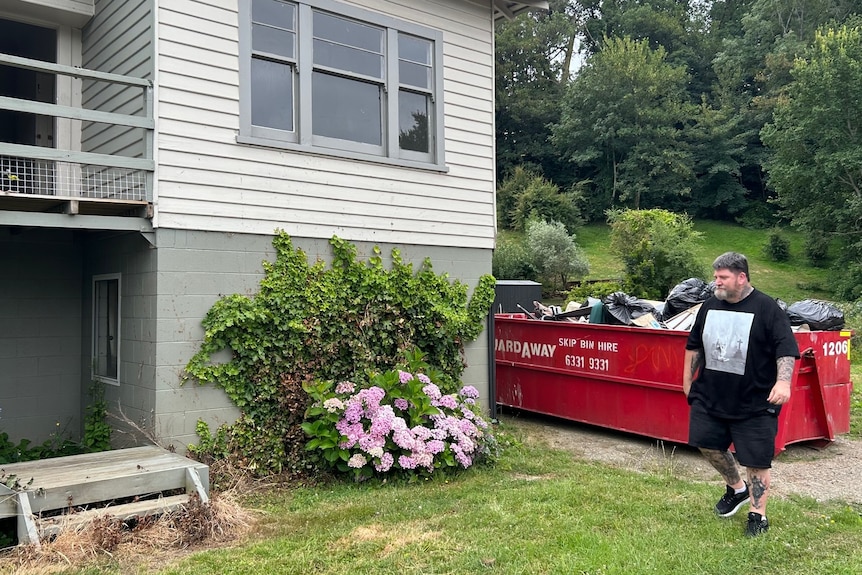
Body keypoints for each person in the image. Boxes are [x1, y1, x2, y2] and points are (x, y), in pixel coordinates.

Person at [682, 252, 799, 537]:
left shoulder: (767, 308)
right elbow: (694, 346)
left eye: (722, 278)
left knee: (756, 460)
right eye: (715, 277)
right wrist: (687, 383)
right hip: (711, 395)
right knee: (705, 444)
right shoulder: (709, 307)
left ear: (741, 277)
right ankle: (736, 489)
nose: (716, 283)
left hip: (756, 401)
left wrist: (783, 383)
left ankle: (758, 516)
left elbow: (786, 349)